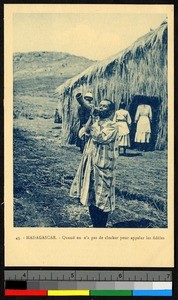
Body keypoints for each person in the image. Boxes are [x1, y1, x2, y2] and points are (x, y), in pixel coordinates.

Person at [70, 99, 119, 228]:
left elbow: (100, 138)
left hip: (103, 166)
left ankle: (101, 227)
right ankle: (95, 225)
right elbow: (81, 133)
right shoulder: (94, 122)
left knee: (102, 196)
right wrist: (91, 120)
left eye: (104, 107)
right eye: (100, 106)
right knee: (91, 195)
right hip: (90, 164)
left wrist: (93, 123)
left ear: (110, 111)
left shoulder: (112, 125)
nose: (100, 108)